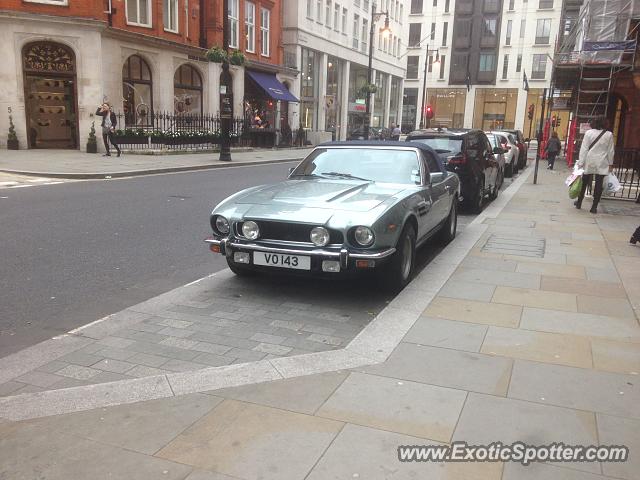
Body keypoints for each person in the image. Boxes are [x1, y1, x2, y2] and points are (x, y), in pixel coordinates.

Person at [574, 116, 614, 214]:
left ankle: (579, 202)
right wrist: (610, 163)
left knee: (584, 182)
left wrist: (581, 162)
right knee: (599, 184)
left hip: (589, 160)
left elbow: (584, 148)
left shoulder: (589, 133)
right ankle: (594, 207)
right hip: (602, 161)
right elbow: (610, 151)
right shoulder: (609, 135)